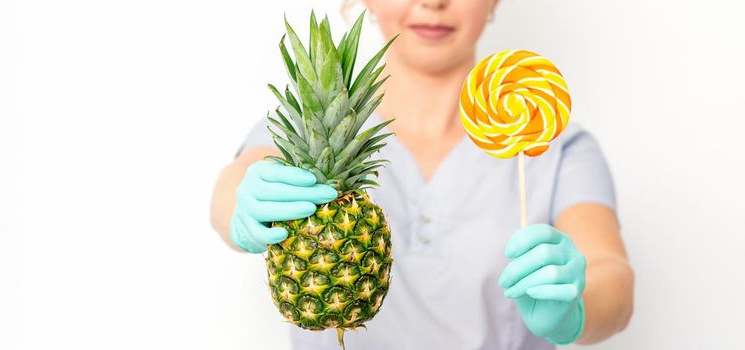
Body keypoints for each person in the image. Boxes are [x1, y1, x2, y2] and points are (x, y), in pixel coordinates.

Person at [209, 0, 634, 348]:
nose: (433, 3)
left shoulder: (552, 143)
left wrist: (575, 309)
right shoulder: (308, 127)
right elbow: (233, 186)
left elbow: (611, 275)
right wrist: (244, 203)